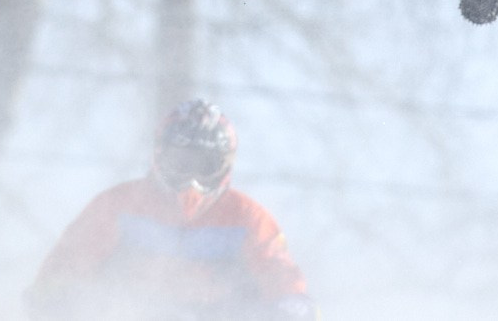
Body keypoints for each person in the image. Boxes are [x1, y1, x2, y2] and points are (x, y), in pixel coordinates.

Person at [27, 99, 316, 321]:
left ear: (225, 166)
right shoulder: (117, 206)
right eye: (181, 162)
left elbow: (283, 280)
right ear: (159, 156)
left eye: (205, 166)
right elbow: (60, 273)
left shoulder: (249, 219)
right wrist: (61, 300)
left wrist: (291, 305)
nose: (192, 180)